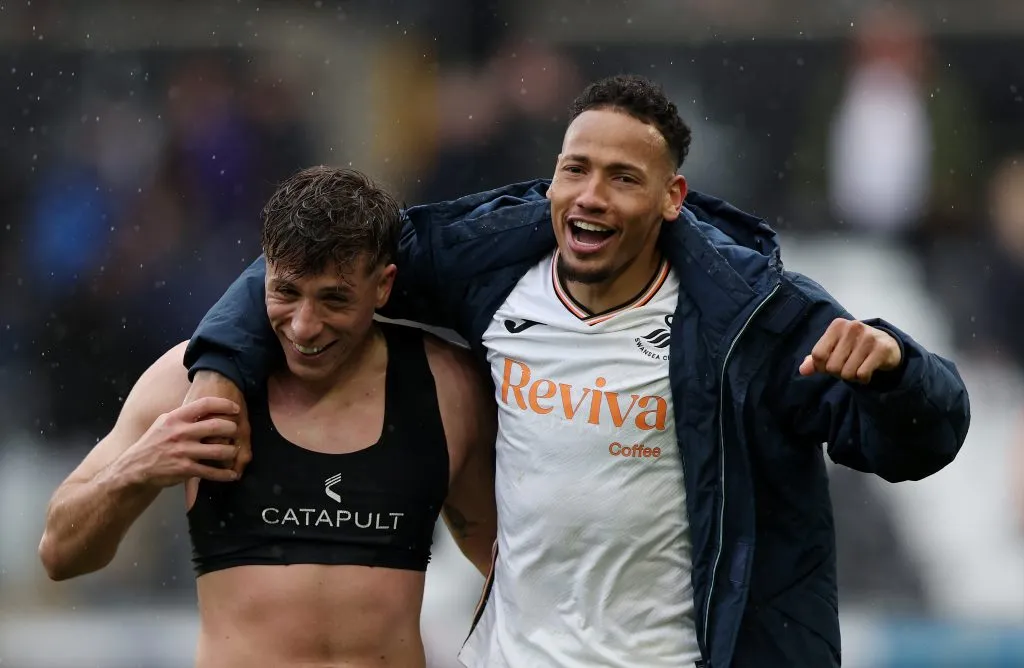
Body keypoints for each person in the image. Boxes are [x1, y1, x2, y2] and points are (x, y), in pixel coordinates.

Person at [181, 76, 971, 667]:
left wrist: (899, 369)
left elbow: (920, 445)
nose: (590, 196)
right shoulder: (489, 269)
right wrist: (218, 366)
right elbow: (315, 264)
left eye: (623, 178)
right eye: (575, 169)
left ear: (672, 199)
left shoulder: (751, 319)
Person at [37, 166, 498, 668]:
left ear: (384, 286)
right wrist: (139, 468)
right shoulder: (188, 382)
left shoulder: (445, 388)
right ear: (264, 273)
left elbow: (507, 573)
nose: (304, 325)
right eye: (286, 292)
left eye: (334, 299)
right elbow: (60, 554)